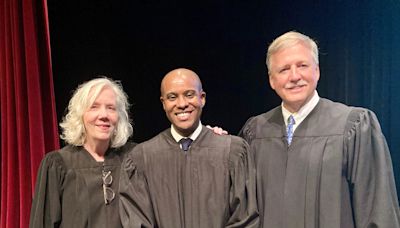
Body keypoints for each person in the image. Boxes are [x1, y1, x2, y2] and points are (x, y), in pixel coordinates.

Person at [239, 31, 400, 228]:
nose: (294, 76)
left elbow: (377, 210)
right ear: (272, 80)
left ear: (317, 71)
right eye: (284, 70)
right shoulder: (255, 131)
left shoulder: (354, 126)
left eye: (302, 66)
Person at [119, 68, 259, 227]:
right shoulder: (142, 158)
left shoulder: (231, 151)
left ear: (202, 98)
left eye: (189, 94)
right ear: (163, 103)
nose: (182, 104)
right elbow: (137, 222)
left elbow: (245, 219)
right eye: (172, 97)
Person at [29, 77, 135, 228]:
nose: (103, 115)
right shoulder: (58, 164)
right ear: (80, 115)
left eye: (111, 107)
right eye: (94, 107)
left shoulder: (134, 159)